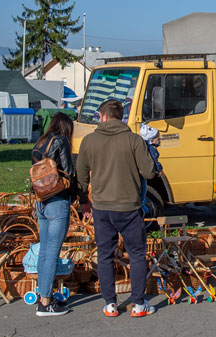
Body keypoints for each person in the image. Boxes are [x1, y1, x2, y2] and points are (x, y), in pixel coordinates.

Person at [76, 99, 156, 318]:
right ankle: (138, 304)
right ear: (121, 117)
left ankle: (110, 303)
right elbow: (149, 172)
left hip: (101, 206)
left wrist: (83, 199)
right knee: (137, 254)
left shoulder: (89, 141)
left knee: (105, 255)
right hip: (128, 206)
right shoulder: (134, 140)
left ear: (103, 116)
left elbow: (81, 174)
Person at [30, 111, 76, 317]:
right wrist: (76, 196)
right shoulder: (61, 141)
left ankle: (42, 294)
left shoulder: (40, 143)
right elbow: (68, 171)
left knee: (44, 251)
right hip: (57, 200)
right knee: (52, 252)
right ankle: (46, 302)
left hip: (41, 199)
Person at [137, 123, 163, 216]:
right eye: (158, 139)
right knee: (143, 189)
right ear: (151, 140)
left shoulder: (142, 146)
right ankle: (143, 206)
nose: (159, 140)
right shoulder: (152, 149)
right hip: (143, 173)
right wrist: (159, 169)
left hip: (139, 171)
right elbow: (155, 161)